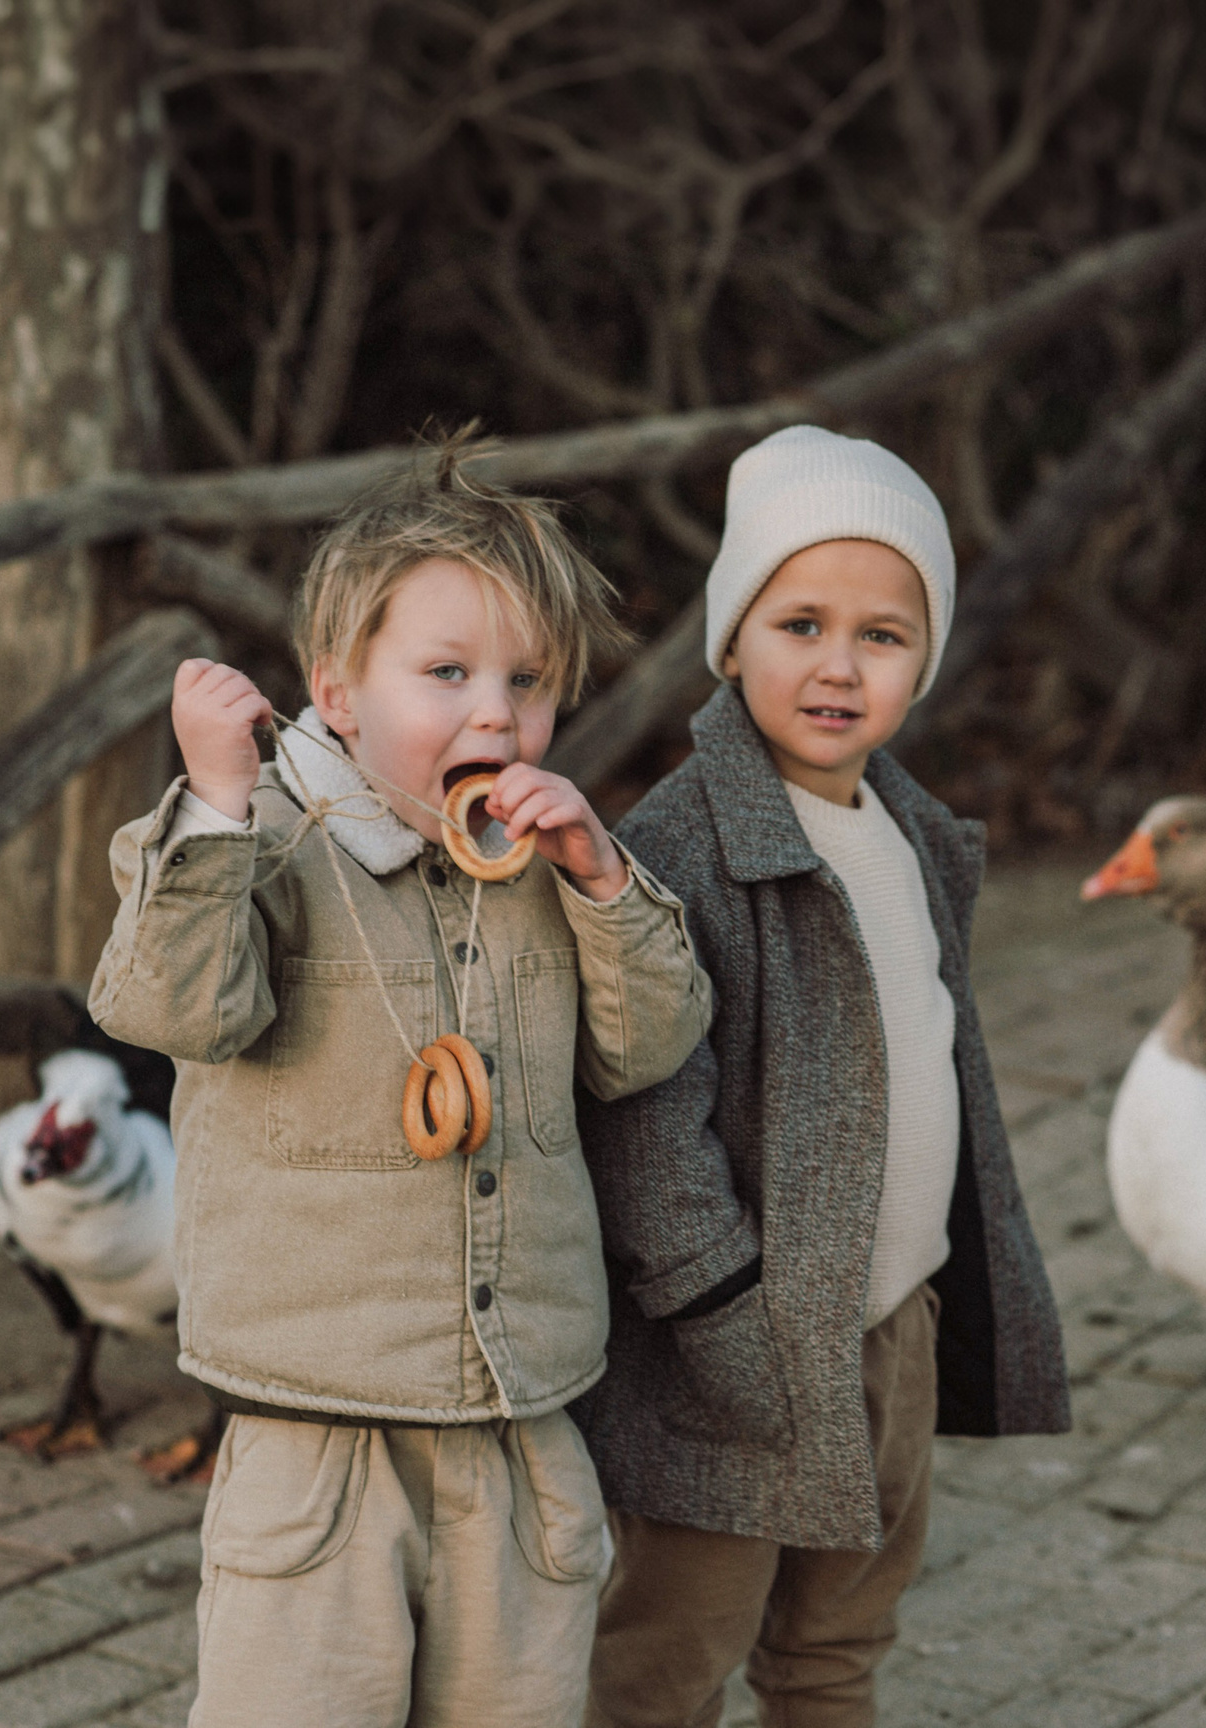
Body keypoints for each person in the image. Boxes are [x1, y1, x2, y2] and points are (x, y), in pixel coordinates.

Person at [89, 437, 713, 1728]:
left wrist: (604, 880)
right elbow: (171, 1008)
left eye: (528, 681)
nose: (497, 714)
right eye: (448, 673)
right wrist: (211, 798)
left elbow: (647, 1044)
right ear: (339, 690)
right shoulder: (260, 840)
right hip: (317, 1434)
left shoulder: (545, 867)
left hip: (518, 1422)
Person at [576, 424, 1071, 1728]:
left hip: (890, 1322)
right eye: (799, 623)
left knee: (836, 1647)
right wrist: (721, 1301)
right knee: (666, 1664)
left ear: (925, 660)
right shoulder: (680, 843)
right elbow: (641, 1105)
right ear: (733, 640)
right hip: (734, 1340)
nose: (839, 665)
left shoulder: (908, 831)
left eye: (883, 635)